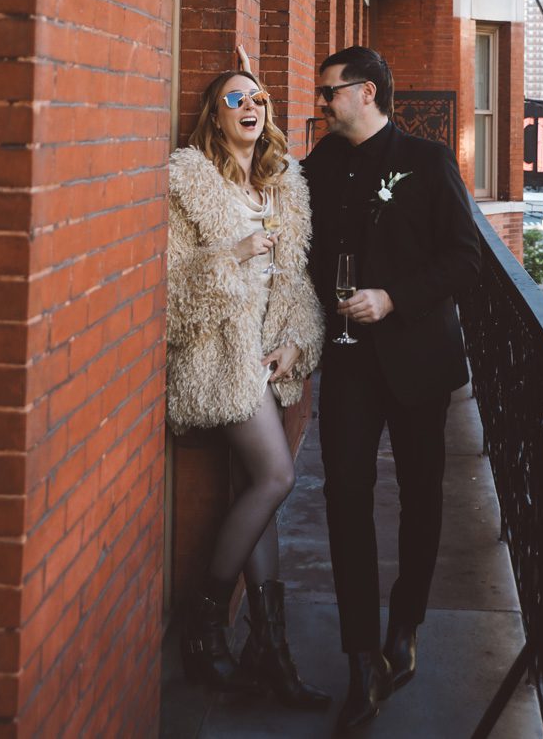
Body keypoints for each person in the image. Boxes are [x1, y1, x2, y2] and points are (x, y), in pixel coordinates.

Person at [303, 46, 480, 733]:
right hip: (347, 362)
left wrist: (393, 297)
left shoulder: (430, 162)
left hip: (417, 360)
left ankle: (405, 623)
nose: (321, 104)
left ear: (367, 92)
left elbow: (464, 259)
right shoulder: (320, 165)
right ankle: (359, 660)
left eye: (329, 93)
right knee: (344, 495)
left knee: (420, 493)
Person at [166, 66, 328, 708]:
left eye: (259, 96)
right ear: (215, 113)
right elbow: (173, 291)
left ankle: (270, 651)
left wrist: (293, 342)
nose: (251, 104)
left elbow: (294, 283)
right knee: (275, 478)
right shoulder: (190, 182)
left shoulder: (283, 185)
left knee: (258, 492)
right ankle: (204, 628)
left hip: (261, 356)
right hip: (217, 353)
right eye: (235, 97)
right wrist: (233, 253)